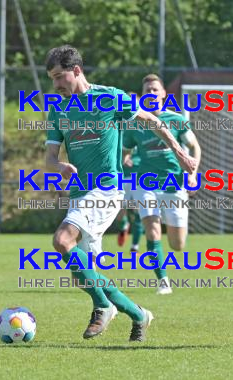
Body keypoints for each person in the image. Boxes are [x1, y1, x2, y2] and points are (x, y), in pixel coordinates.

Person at [44, 45, 197, 341]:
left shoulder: (110, 97)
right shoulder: (58, 109)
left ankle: (102, 307)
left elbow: (152, 121)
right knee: (85, 275)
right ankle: (139, 314)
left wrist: (179, 153)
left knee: (62, 240)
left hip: (105, 190)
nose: (56, 84)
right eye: (52, 78)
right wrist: (59, 166)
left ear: (76, 70)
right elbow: (49, 158)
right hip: (80, 194)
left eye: (59, 76)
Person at [123, 74, 201, 295]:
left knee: (178, 244)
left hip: (174, 185)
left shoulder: (176, 120)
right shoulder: (134, 124)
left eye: (155, 90)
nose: (151, 93)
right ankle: (163, 281)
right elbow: (125, 150)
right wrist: (125, 158)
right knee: (152, 229)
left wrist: (193, 174)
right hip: (145, 184)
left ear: (164, 94)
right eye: (147, 90)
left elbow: (194, 147)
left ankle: (168, 241)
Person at [115, 145, 144, 252]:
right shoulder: (119, 132)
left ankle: (134, 248)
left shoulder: (147, 132)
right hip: (122, 176)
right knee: (118, 213)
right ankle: (123, 226)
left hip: (139, 176)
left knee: (139, 213)